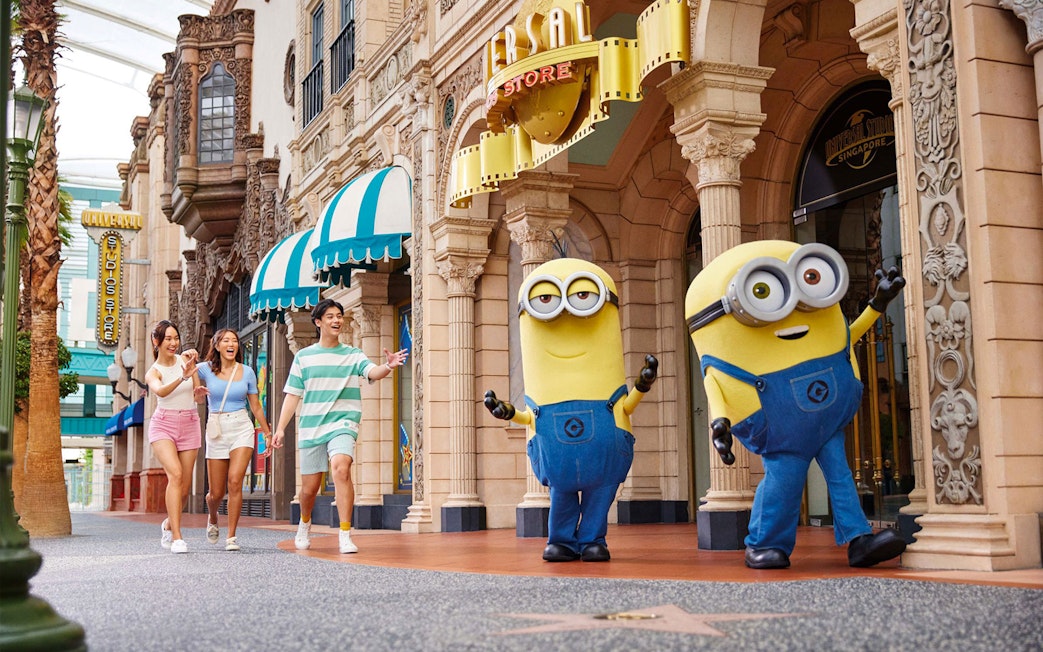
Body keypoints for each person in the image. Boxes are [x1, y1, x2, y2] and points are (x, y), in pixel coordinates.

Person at [271, 298, 408, 554]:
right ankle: (305, 523)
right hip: (312, 427)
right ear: (318, 322)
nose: (336, 320)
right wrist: (280, 428)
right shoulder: (304, 357)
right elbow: (292, 396)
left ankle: (345, 533)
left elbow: (372, 372)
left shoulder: (353, 354)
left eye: (339, 316)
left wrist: (388, 366)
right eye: (331, 316)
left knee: (341, 468)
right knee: (309, 490)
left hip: (343, 423)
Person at [196, 328, 273, 551]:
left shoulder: (247, 371)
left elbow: (256, 405)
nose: (232, 344)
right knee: (216, 493)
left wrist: (267, 432)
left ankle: (231, 536)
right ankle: (212, 516)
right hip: (217, 428)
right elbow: (185, 369)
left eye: (235, 341)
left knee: (235, 481)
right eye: (226, 341)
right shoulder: (206, 369)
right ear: (217, 346)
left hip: (241, 426)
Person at [145, 320, 205, 554]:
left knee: (184, 486)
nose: (173, 343)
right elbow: (159, 391)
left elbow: (197, 397)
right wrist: (182, 377)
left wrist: (198, 389)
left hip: (190, 423)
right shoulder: (154, 371)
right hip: (163, 425)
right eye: (168, 339)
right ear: (156, 341)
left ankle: (169, 523)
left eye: (175, 338)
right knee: (176, 474)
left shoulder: (185, 360)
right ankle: (177, 537)